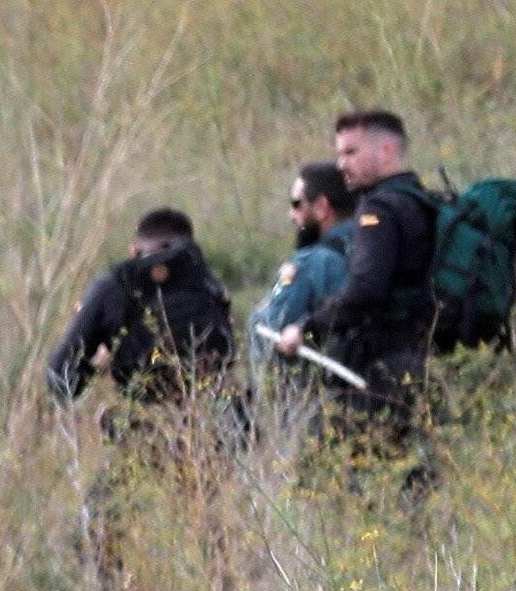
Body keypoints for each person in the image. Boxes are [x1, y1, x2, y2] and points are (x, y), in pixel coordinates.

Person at [277, 107, 444, 421]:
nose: (342, 165)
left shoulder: (378, 210)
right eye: (339, 154)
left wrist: (307, 327)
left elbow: (366, 288)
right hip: (422, 354)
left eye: (351, 152)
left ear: (387, 151)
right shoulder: (420, 200)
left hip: (384, 364)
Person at [44, 207, 237, 404]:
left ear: (134, 251)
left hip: (146, 420)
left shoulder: (115, 284)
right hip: (214, 414)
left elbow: (60, 380)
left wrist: (99, 365)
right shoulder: (208, 282)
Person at [252, 163, 351, 343]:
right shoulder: (374, 248)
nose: (292, 214)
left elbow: (272, 326)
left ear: (322, 207)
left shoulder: (311, 263)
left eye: (297, 204)